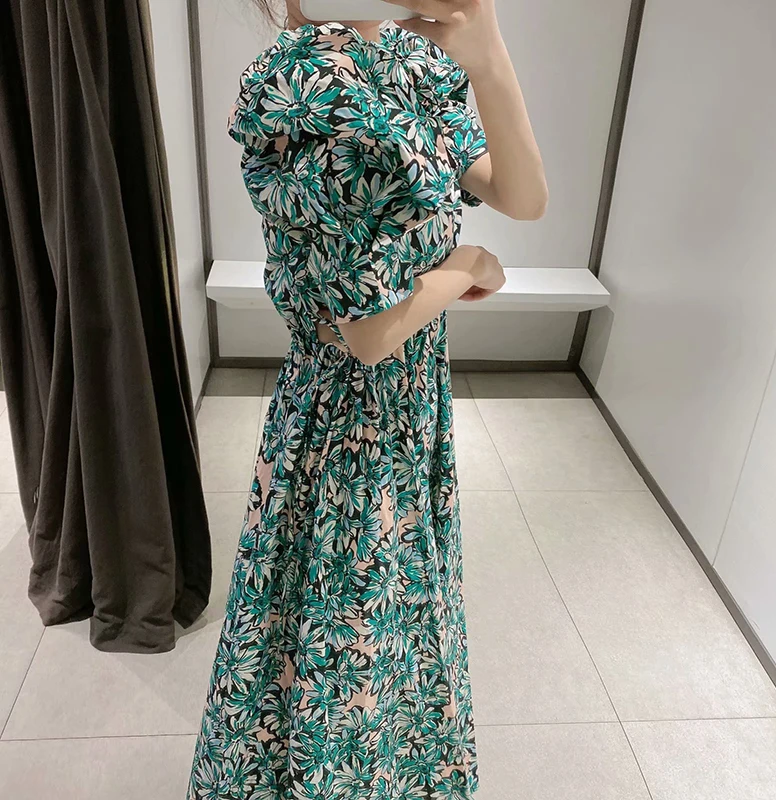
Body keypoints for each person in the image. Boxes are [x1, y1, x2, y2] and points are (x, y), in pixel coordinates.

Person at [187, 1, 547, 797]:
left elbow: (523, 195)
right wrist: (468, 266)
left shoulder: (411, 63)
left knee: (383, 623)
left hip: (410, 406)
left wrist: (488, 57)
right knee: (342, 635)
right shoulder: (304, 84)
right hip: (347, 422)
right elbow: (368, 334)